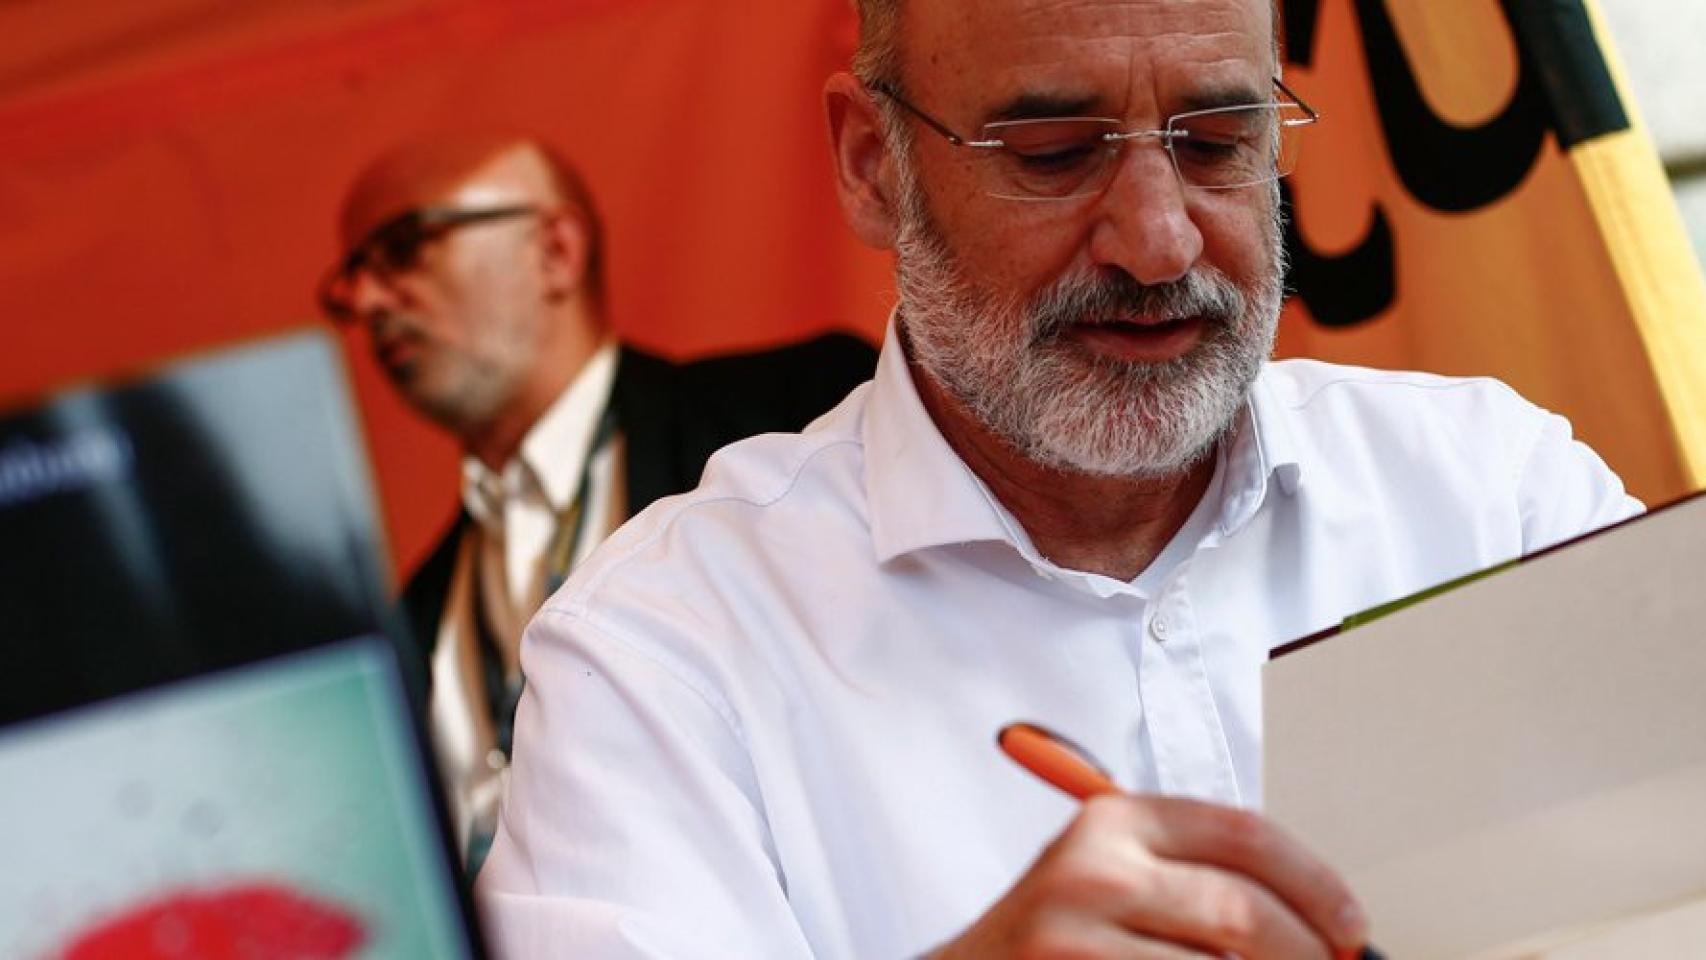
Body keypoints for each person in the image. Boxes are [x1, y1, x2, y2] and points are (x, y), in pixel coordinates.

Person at [475, 1, 1643, 956]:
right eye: (1052, 154)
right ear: (871, 163)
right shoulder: (663, 652)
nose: (1157, 242)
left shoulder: (1496, 501)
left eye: (1218, 143)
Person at [319, 134, 876, 865]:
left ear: (555, 250)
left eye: (404, 248)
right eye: (349, 280)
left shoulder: (799, 415)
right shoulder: (416, 609)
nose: (367, 301)